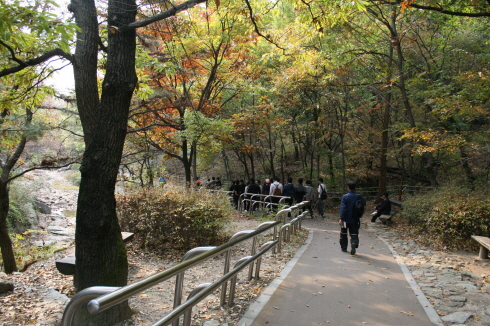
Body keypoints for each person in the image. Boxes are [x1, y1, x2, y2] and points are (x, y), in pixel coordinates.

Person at [339, 181, 366, 255]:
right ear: (355, 188)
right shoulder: (358, 196)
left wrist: (341, 218)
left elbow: (343, 208)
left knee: (343, 233)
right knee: (354, 233)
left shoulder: (345, 197)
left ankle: (344, 248)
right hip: (355, 218)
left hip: (345, 219)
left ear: (348, 188)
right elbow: (363, 204)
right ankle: (353, 242)